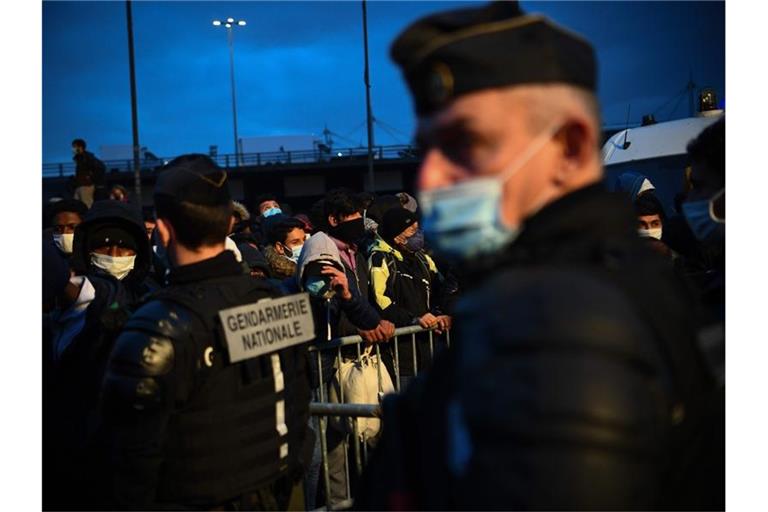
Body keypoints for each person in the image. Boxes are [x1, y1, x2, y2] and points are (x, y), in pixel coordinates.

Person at [357, 2, 722, 510]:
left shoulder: (567, 331)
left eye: (466, 144)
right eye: (429, 150)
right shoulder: (575, 287)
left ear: (570, 149)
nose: (433, 178)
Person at [99, 154, 312, 510]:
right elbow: (298, 405)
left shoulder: (156, 326)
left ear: (164, 230)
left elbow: (127, 468)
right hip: (278, 495)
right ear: (230, 221)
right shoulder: (279, 299)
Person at [44, 199, 154, 509]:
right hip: (76, 454)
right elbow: (91, 293)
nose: (115, 257)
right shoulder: (76, 296)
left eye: (124, 249)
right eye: (105, 249)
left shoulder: (156, 294)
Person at [369, 207, 452, 383]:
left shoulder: (423, 259)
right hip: (401, 354)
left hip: (429, 348)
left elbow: (441, 290)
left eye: (418, 229)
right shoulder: (380, 258)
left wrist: (440, 315)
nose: (418, 235)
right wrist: (414, 319)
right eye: (412, 231)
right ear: (397, 236)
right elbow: (381, 302)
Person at [263, 214, 307, 280]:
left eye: (304, 240)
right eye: (295, 242)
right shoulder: (276, 278)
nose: (304, 245)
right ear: (280, 247)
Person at [71, 138, 106, 207]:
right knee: (76, 205)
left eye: (74, 147)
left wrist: (91, 178)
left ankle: (89, 217)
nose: (73, 149)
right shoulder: (80, 158)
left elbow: (101, 167)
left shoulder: (87, 157)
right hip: (80, 185)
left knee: (87, 205)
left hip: (86, 185)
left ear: (80, 147)